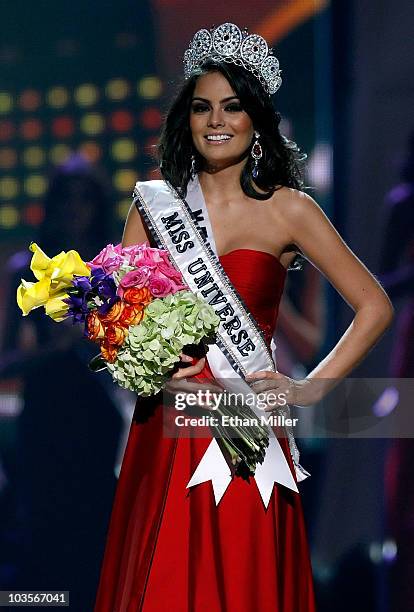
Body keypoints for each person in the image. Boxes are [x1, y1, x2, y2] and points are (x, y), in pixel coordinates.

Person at [94, 23, 394, 611]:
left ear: (256, 119)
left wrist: (307, 391)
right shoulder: (156, 204)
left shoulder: (289, 209)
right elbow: (118, 322)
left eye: (233, 107)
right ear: (187, 119)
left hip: (246, 429)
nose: (216, 121)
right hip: (168, 428)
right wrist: (151, 373)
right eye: (203, 107)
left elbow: (374, 305)